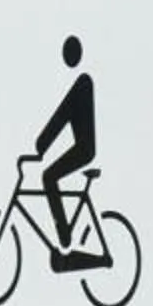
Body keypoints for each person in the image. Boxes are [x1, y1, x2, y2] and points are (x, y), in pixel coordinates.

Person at [33, 36, 97, 267]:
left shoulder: (82, 83)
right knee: (49, 176)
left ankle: (65, 239)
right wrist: (42, 146)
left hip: (84, 150)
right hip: (82, 148)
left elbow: (62, 116)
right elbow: (63, 116)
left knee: (48, 177)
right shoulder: (82, 82)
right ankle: (65, 236)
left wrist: (42, 144)